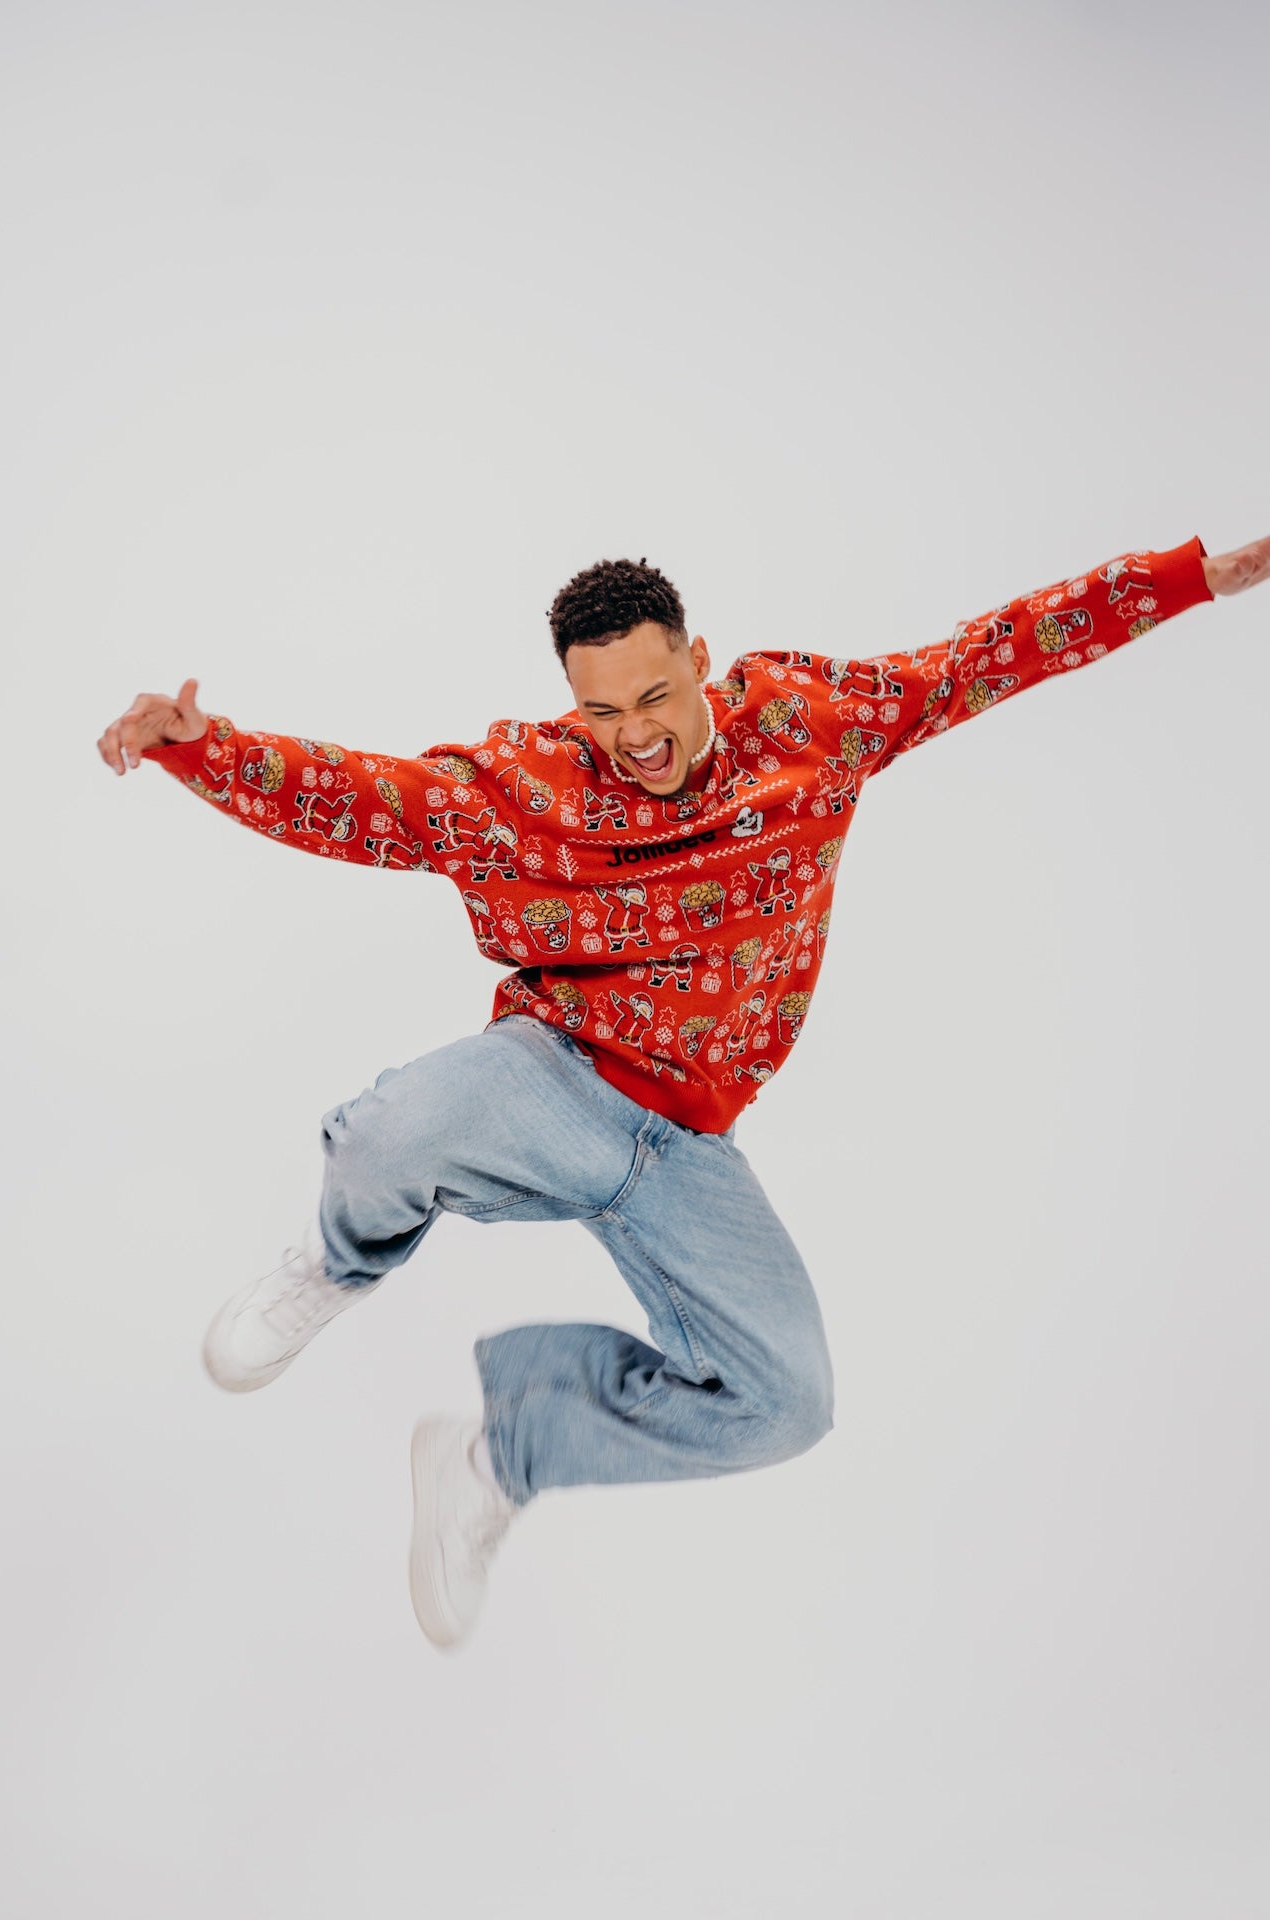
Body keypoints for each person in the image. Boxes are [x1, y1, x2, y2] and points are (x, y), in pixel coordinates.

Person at [97, 530, 1268, 1650]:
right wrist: (200, 749)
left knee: (785, 1405)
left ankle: (500, 1453)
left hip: (687, 1147)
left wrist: (1185, 580)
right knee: (387, 1136)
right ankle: (336, 1266)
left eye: (654, 698)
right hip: (552, 1081)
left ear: (699, 660)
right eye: (602, 711)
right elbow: (369, 802)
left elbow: (984, 656)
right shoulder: (531, 785)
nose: (634, 736)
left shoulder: (810, 725)